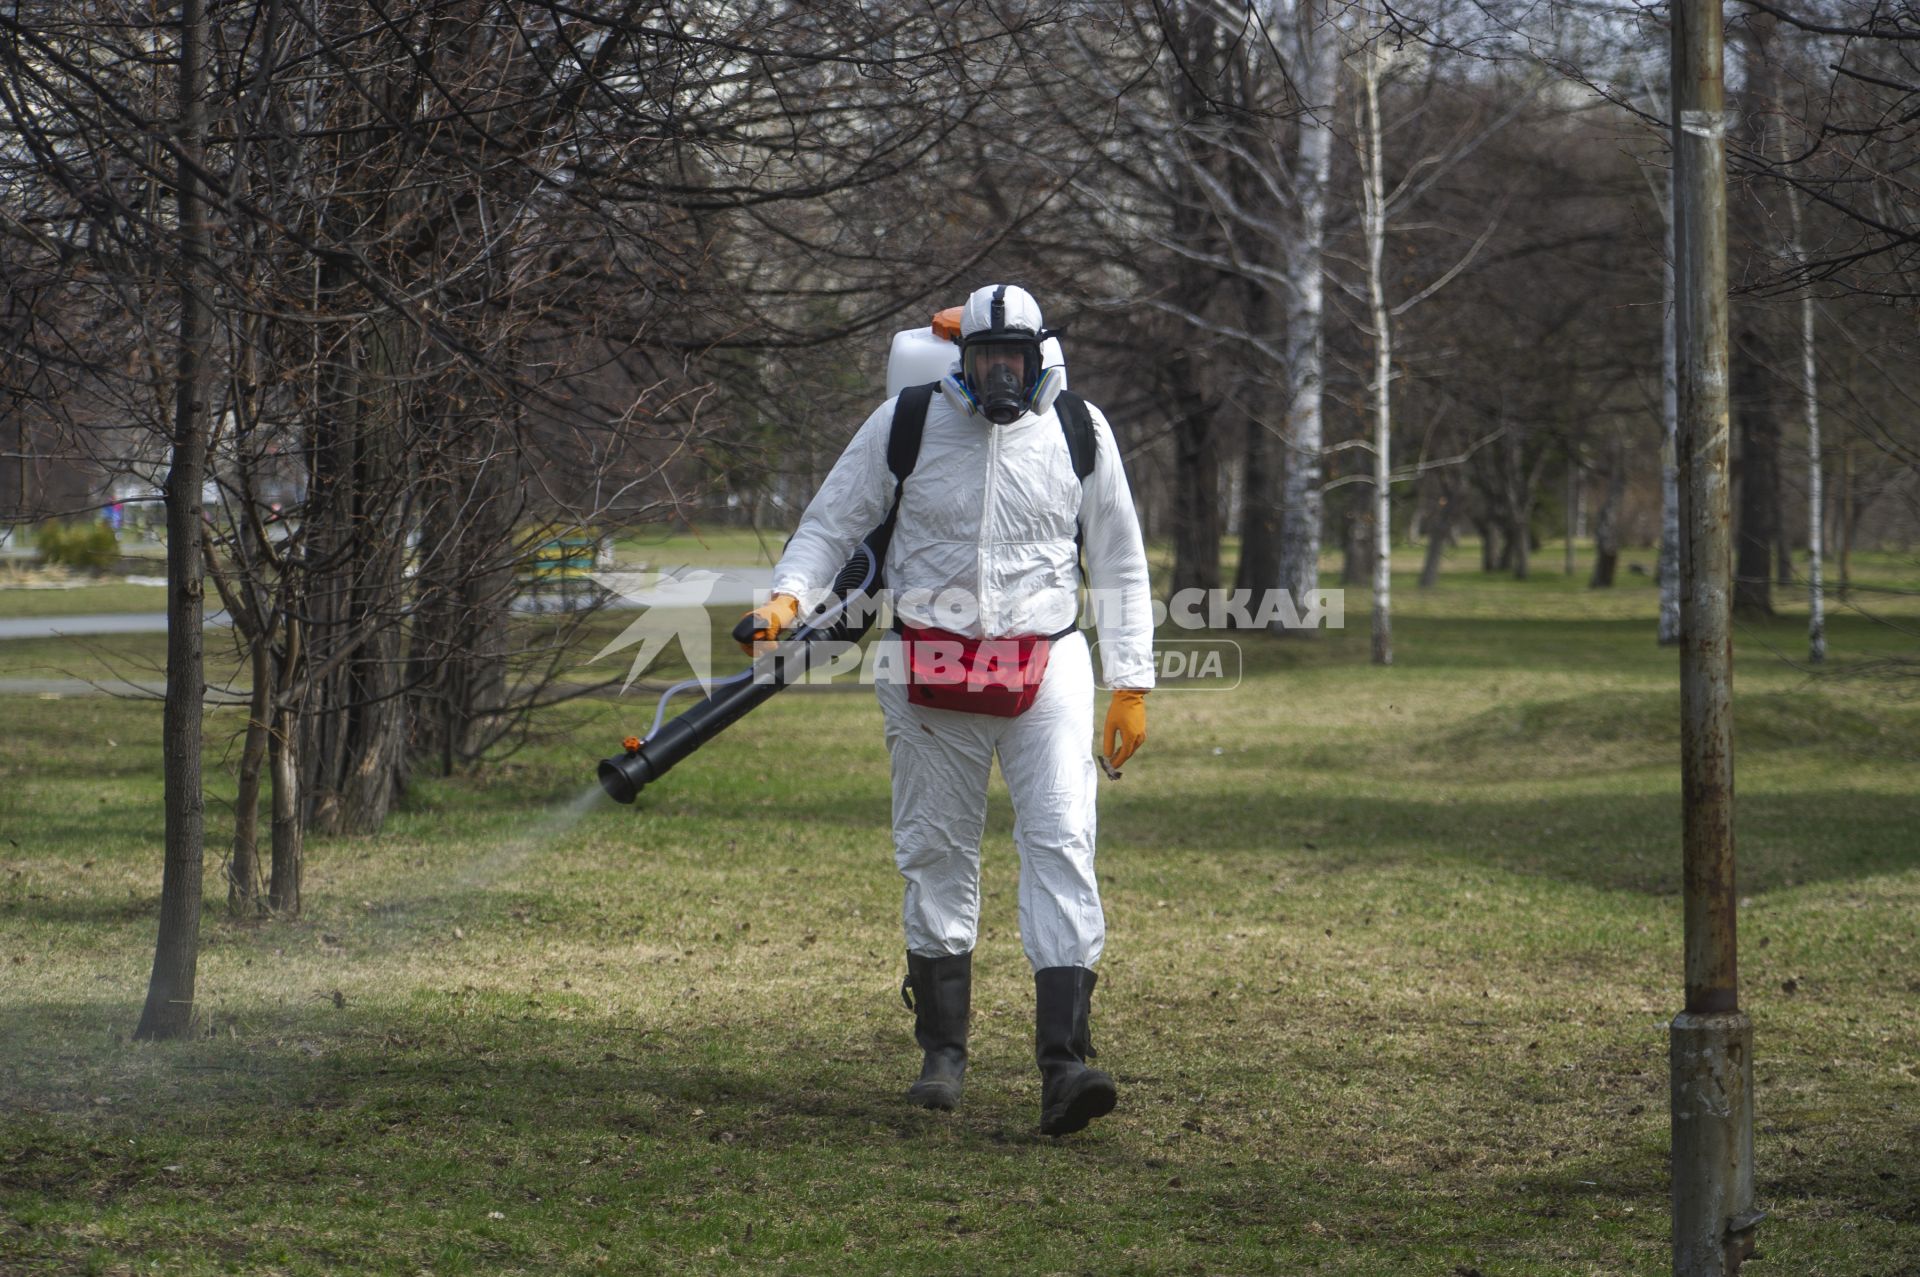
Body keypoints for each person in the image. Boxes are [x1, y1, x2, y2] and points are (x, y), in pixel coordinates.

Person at [738, 284, 1154, 1136]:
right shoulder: (906, 421)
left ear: (1041, 357)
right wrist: (787, 597)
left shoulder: (1080, 428)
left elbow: (1120, 560)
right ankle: (943, 1054)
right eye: (985, 357)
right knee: (934, 848)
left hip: (1048, 664)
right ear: (962, 358)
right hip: (927, 665)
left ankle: (1065, 1063)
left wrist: (1133, 681)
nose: (1000, 373)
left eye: (1015, 357)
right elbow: (829, 522)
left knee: (1063, 843)